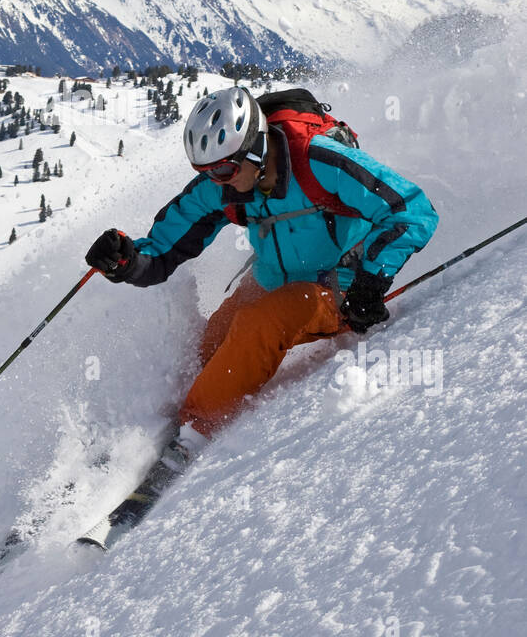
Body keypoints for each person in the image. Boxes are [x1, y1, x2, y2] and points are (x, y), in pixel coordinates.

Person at [85, 85, 438, 462]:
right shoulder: (225, 184)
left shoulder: (320, 162)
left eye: (222, 170)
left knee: (259, 324)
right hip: (271, 281)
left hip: (339, 291)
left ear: (254, 148)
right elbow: (162, 251)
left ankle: (193, 433)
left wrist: (371, 283)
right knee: (215, 341)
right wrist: (125, 261)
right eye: (205, 172)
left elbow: (412, 209)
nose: (217, 181)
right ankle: (180, 410)